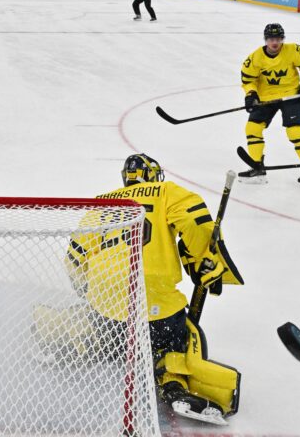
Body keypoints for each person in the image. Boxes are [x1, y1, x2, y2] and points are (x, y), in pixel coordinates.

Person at [63, 154, 243, 424]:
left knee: (108, 331)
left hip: (106, 308)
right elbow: (197, 223)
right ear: (153, 175)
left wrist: (89, 291)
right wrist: (204, 260)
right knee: (180, 335)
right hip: (153, 301)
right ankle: (173, 382)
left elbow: (74, 258)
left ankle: (87, 342)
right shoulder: (166, 191)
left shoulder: (101, 203)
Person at [239, 23, 300, 187]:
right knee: (252, 128)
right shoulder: (255, 58)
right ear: (265, 40)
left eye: (278, 39)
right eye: (270, 39)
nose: (274, 43)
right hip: (266, 97)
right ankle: (257, 167)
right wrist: (251, 94)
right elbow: (248, 80)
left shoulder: (293, 51)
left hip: (291, 94)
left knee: (294, 131)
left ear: (282, 39)